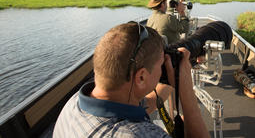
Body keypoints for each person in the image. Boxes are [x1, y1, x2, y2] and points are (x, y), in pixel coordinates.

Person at [53, 22, 209, 138]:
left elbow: (144, 103)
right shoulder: (140, 134)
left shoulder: (74, 103)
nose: (163, 68)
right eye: (161, 64)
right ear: (141, 77)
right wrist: (187, 93)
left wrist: (172, 81)